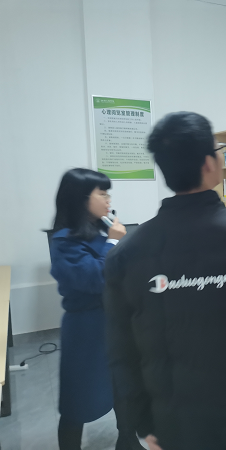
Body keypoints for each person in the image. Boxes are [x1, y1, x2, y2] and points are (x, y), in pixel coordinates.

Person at [103, 112, 226, 450]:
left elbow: (121, 349)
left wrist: (140, 419)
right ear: (209, 164)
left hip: (171, 417)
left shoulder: (126, 254)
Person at [49, 168, 143, 450]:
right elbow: (95, 279)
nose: (108, 199)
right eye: (101, 193)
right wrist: (114, 242)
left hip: (117, 322)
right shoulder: (64, 240)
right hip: (86, 329)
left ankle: (128, 440)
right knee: (78, 398)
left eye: (107, 193)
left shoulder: (104, 230)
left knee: (123, 387)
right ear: (80, 198)